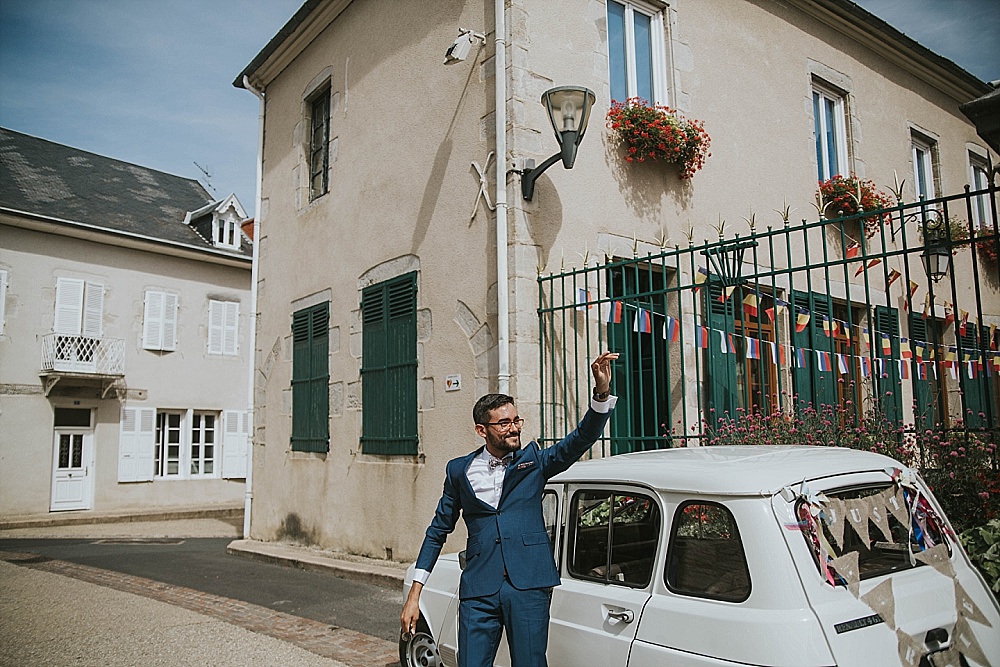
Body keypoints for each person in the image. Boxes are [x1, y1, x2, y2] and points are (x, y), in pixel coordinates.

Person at [400, 352, 619, 667]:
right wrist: (414, 595)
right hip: (479, 589)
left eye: (517, 420)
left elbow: (581, 438)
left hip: (528, 585)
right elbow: (438, 531)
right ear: (481, 430)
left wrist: (601, 394)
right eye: (504, 423)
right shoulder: (459, 471)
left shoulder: (535, 462)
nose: (514, 428)